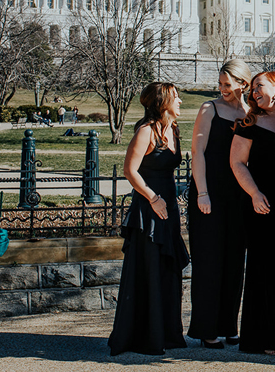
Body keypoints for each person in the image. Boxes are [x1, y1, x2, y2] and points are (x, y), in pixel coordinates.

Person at [108, 83, 190, 356]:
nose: (180, 101)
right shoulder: (147, 130)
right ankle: (145, 335)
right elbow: (130, 170)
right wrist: (153, 198)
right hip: (149, 207)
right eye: (176, 97)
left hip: (168, 206)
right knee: (150, 266)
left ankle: (166, 332)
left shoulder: (173, 129)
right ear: (162, 101)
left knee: (168, 268)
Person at [230, 72, 275, 354]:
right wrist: (254, 193)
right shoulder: (250, 123)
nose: (254, 90)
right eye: (253, 87)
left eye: (260, 85)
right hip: (262, 203)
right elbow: (237, 163)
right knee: (267, 269)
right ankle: (266, 338)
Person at [186, 59, 252, 348]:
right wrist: (202, 192)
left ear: (243, 84)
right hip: (208, 194)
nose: (222, 89)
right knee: (209, 262)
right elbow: (197, 152)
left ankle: (229, 325)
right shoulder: (208, 109)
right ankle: (206, 328)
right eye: (221, 84)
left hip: (238, 196)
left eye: (228, 84)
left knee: (234, 262)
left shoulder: (251, 114)